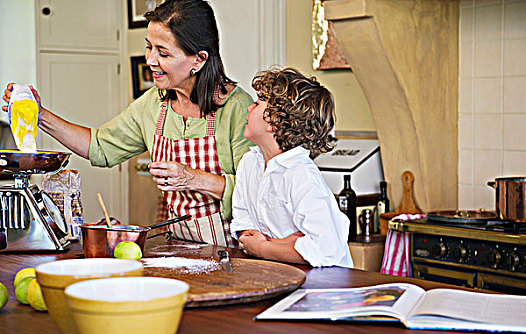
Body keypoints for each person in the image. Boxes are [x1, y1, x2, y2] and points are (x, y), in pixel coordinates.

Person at [1, 0, 253, 247]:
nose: (151, 60)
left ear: (198, 59)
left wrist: (192, 178)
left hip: (233, 251)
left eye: (163, 52)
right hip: (178, 247)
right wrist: (40, 115)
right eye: (149, 47)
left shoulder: (237, 108)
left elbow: (254, 193)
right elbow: (100, 146)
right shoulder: (153, 105)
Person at [230, 67, 354, 267]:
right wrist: (287, 242)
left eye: (256, 104)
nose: (248, 108)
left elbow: (326, 248)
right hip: (280, 272)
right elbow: (243, 224)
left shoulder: (302, 175)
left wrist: (263, 247)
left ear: (274, 121)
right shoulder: (249, 164)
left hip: (325, 284)